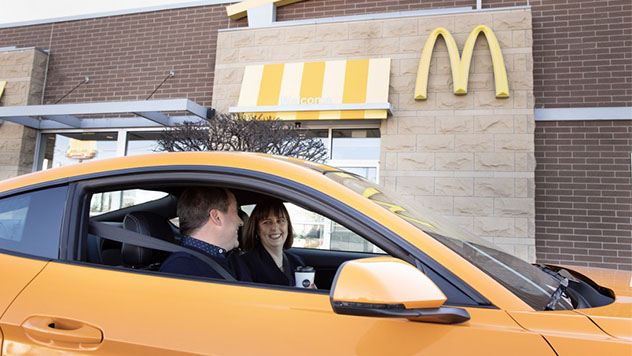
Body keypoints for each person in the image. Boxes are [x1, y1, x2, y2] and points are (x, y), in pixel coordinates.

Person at [159, 187, 251, 281]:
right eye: (236, 211)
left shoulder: (232, 258)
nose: (241, 222)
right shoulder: (181, 270)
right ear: (216, 217)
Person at [240, 198, 308, 287]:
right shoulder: (245, 264)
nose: (275, 227)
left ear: (288, 225)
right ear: (257, 229)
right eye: (267, 222)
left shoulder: (296, 262)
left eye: (280, 221)